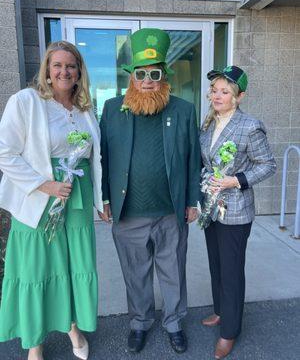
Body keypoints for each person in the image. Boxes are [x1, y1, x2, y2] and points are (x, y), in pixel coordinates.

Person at [0, 41, 103, 360]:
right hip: (39, 199)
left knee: (74, 267)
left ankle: (72, 326)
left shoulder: (86, 108)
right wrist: (45, 185)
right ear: (46, 69)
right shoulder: (26, 101)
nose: (64, 71)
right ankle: (35, 343)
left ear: (79, 72)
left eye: (71, 66)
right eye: (57, 65)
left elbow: (95, 158)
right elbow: (5, 152)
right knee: (37, 269)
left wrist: (102, 199)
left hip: (78, 198)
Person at [99, 28, 200, 354]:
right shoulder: (113, 109)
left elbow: (193, 159)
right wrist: (105, 198)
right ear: (131, 77)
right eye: (140, 73)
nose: (147, 80)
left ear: (164, 77)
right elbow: (101, 157)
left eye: (154, 73)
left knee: (173, 271)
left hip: (171, 210)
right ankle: (140, 322)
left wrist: (193, 200)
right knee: (135, 273)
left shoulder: (183, 111)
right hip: (129, 211)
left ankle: (173, 322)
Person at [199, 66, 276, 359]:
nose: (217, 95)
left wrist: (236, 180)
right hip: (211, 208)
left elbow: (267, 165)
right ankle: (221, 311)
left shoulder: (249, 125)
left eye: (225, 91)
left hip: (235, 210)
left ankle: (229, 332)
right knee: (216, 264)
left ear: (239, 96)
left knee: (231, 272)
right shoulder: (208, 123)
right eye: (215, 90)